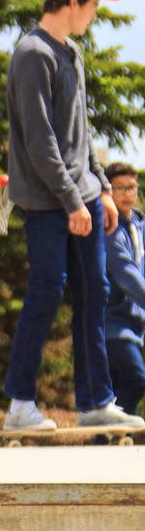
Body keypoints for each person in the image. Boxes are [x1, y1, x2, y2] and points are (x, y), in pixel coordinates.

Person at [2, 0, 144, 433]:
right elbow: (41, 142)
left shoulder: (73, 54)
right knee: (46, 292)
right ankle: (20, 404)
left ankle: (94, 402)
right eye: (93, 7)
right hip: (48, 203)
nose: (94, 17)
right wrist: (72, 201)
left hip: (81, 197)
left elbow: (79, 135)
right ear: (73, 1)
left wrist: (101, 187)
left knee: (96, 293)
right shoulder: (31, 55)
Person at [103, 162, 145, 417]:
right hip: (113, 322)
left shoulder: (139, 224)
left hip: (135, 324)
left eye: (131, 187)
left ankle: (103, 438)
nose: (128, 193)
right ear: (109, 192)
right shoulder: (110, 229)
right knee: (136, 378)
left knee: (118, 386)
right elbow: (126, 274)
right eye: (120, 188)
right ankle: (113, 427)